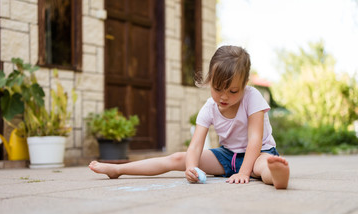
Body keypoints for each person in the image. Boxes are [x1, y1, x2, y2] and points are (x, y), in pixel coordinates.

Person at [89, 45, 290, 189]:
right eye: (218, 89)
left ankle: (278, 176)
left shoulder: (252, 97)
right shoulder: (210, 107)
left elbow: (255, 138)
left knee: (262, 166)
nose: (224, 97)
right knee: (179, 158)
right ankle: (118, 170)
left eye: (233, 91)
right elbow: (195, 145)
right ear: (209, 80)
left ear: (245, 84)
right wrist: (191, 167)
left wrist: (244, 172)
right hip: (228, 156)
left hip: (259, 153)